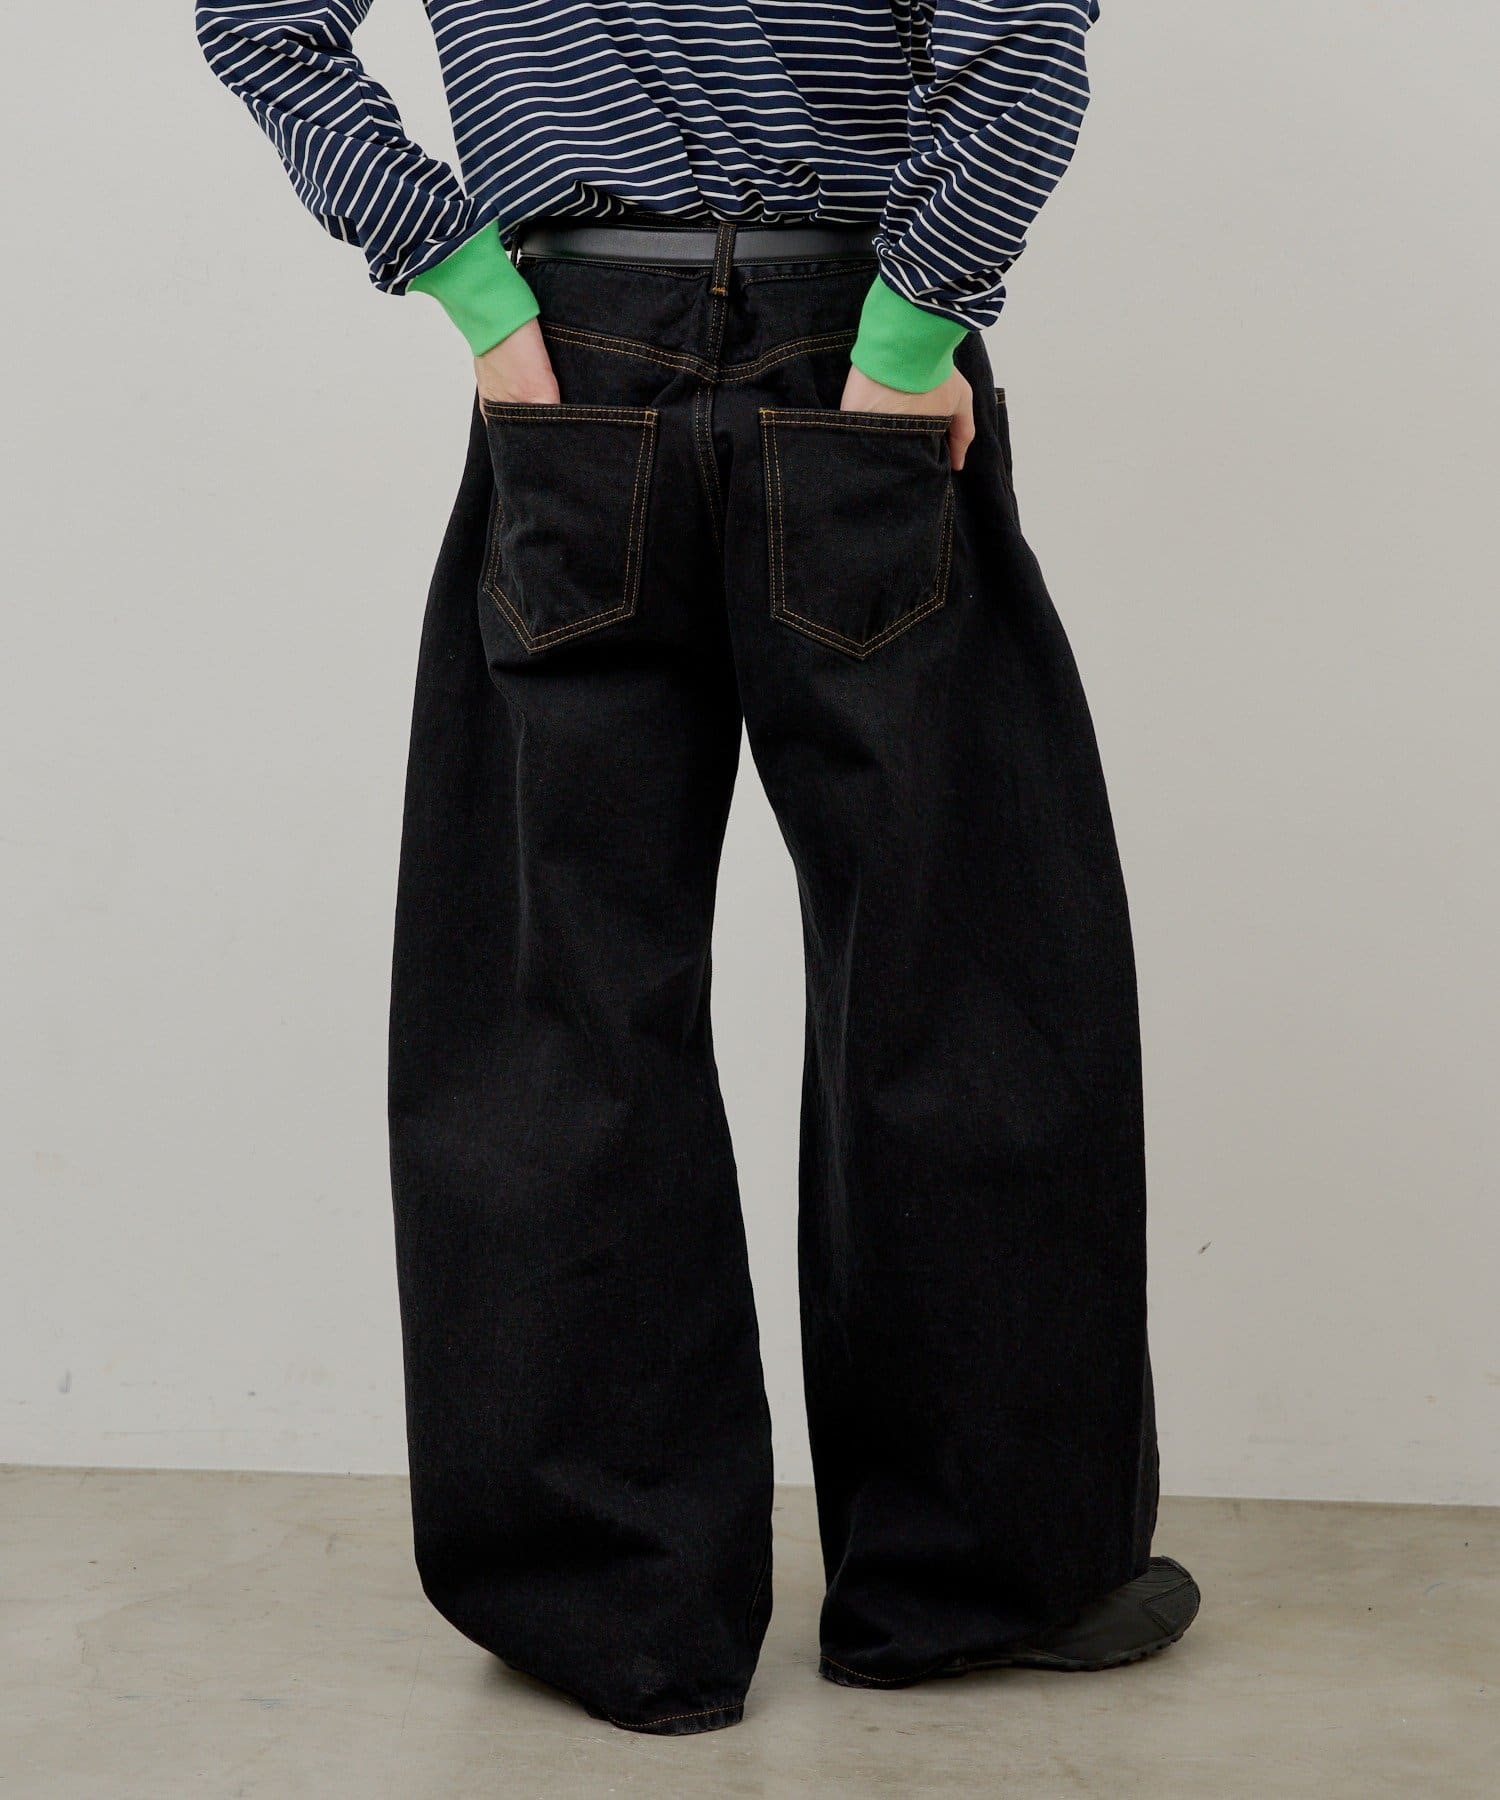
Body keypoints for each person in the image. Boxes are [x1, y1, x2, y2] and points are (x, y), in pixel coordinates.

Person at [196, 0, 1200, 1737]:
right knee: (958, 971)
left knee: (558, 1001)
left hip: (576, 369)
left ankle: (609, 1601)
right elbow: (1018, 33)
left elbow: (259, 20)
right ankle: (972, 1576)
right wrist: (910, 339)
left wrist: (481, 298)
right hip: (854, 352)